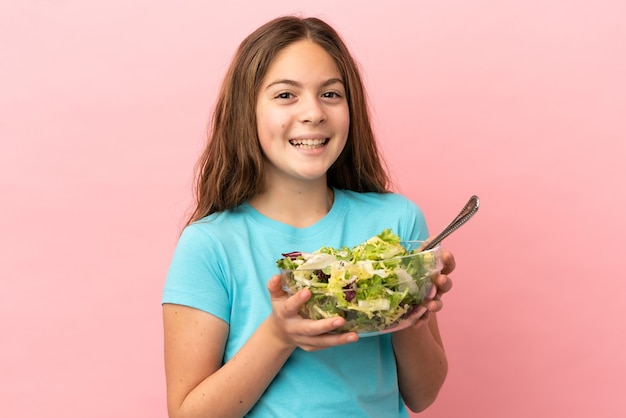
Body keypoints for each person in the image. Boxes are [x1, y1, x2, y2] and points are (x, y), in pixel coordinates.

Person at [162, 15, 455, 418]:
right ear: (246, 111)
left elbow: (423, 394)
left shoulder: (397, 223)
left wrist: (410, 301)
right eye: (286, 95)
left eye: (331, 94)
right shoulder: (210, 245)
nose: (313, 113)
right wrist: (279, 335)